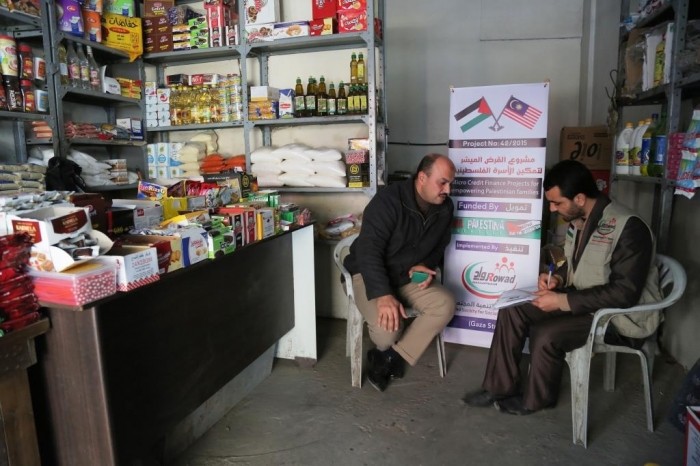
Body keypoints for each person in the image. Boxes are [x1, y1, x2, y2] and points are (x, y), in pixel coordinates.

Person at [463, 159, 662, 415]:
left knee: (546, 334)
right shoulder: (579, 221)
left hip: (619, 318)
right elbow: (575, 263)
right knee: (512, 310)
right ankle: (498, 387)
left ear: (579, 198)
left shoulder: (629, 227)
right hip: (585, 300)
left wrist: (561, 301)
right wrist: (557, 278)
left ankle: (537, 399)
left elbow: (624, 293)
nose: (553, 209)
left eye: (557, 203)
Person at [343, 153, 457, 392]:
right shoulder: (388, 201)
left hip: (406, 275)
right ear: (422, 178)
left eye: (450, 183)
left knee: (445, 304)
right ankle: (386, 350)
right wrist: (383, 295)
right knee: (388, 333)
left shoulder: (445, 208)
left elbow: (440, 244)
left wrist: (424, 263)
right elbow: (368, 251)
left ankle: (389, 358)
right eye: (443, 182)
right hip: (369, 273)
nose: (448, 190)